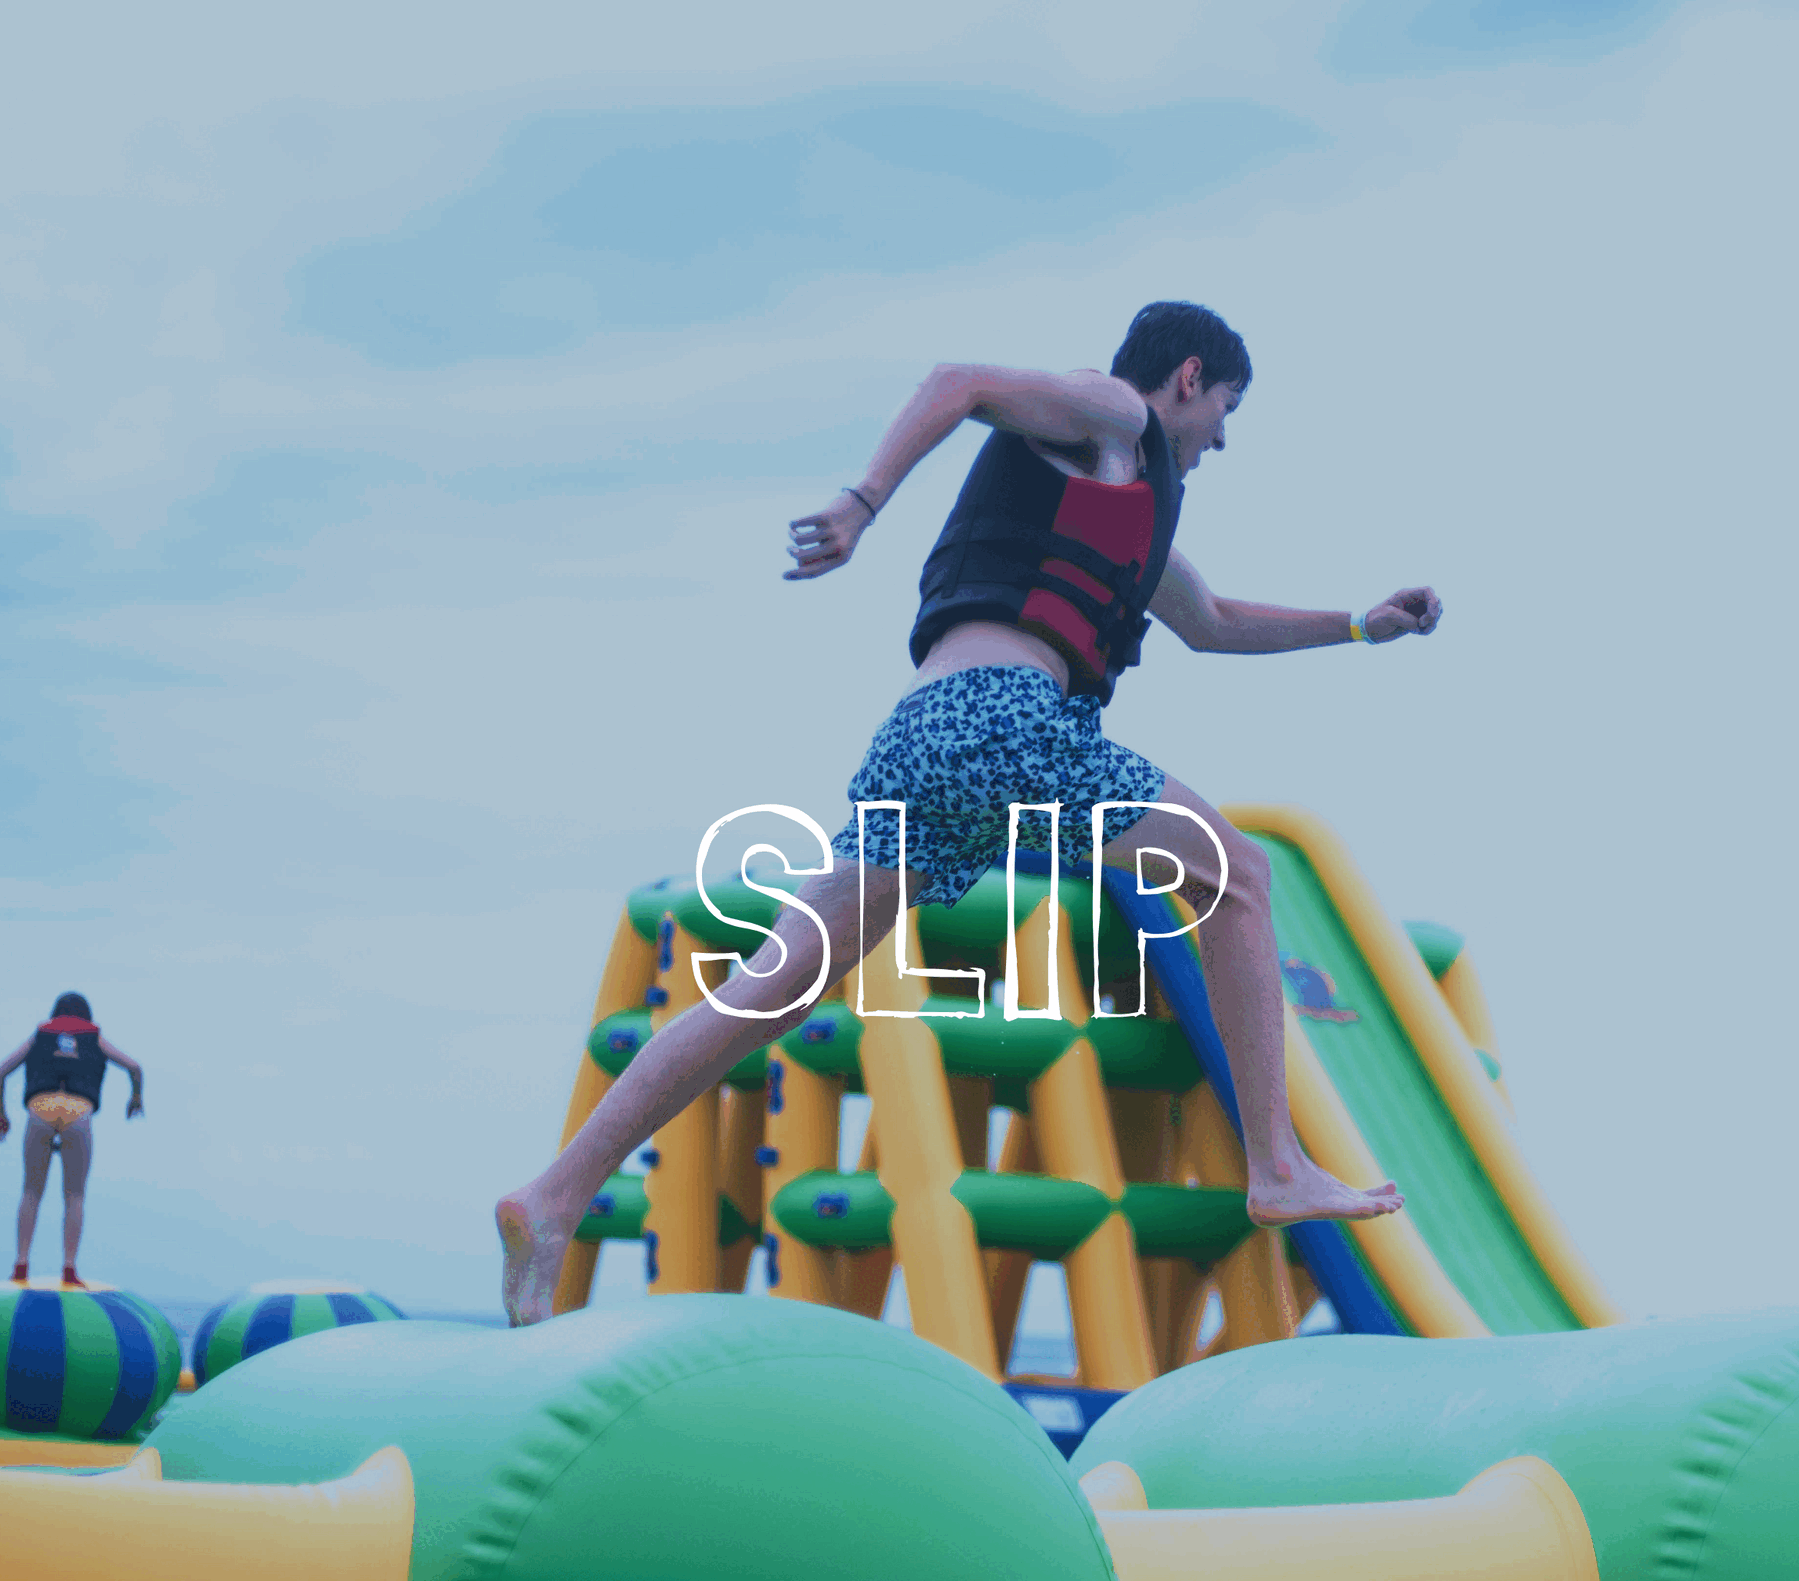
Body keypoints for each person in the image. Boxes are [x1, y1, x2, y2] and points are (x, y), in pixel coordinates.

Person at [497, 301, 1441, 1326]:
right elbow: (960, 382)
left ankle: (553, 1197)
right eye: (1226, 407)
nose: (1223, 435)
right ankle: (1278, 1164)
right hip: (1004, 721)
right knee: (1238, 876)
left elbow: (1211, 624)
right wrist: (861, 503)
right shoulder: (1112, 412)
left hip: (919, 741)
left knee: (773, 987)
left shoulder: (1126, 495)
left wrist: (1359, 626)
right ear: (1189, 377)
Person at [0, 992, 145, 1288]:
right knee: (74, 1195)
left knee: (31, 1191)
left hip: (39, 1111)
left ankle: (20, 1266)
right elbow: (134, 1068)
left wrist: (2, 1114)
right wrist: (135, 1097)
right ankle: (69, 1269)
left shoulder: (39, 1034)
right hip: (78, 1114)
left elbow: (1, 1071)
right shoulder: (96, 1037)